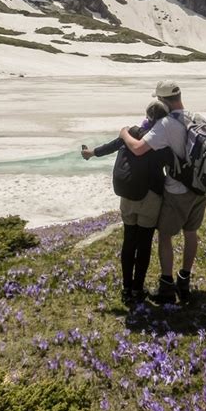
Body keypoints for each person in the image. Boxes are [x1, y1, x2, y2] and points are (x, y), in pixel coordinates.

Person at [119, 81, 206, 304]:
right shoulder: (198, 117)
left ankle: (167, 285)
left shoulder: (166, 124)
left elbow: (138, 149)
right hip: (201, 187)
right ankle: (184, 278)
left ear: (162, 100)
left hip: (177, 190)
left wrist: (123, 134)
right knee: (191, 232)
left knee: (165, 235)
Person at [81, 100, 171, 304]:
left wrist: (91, 153)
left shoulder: (130, 132)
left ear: (147, 114)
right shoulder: (161, 139)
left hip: (127, 195)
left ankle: (126, 288)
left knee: (129, 241)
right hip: (150, 197)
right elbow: (173, 163)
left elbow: (111, 146)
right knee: (144, 243)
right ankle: (138, 289)